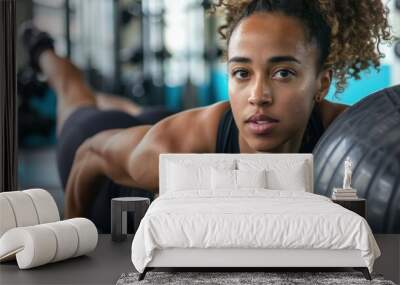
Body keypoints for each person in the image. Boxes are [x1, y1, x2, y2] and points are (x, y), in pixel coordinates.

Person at [21, 0, 393, 223]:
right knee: (79, 100)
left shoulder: (349, 135)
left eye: (283, 73)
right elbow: (90, 156)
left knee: (137, 112)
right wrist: (76, 239)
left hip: (162, 121)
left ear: (322, 84)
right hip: (109, 176)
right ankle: (44, 53)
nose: (258, 96)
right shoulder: (177, 147)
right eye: (242, 73)